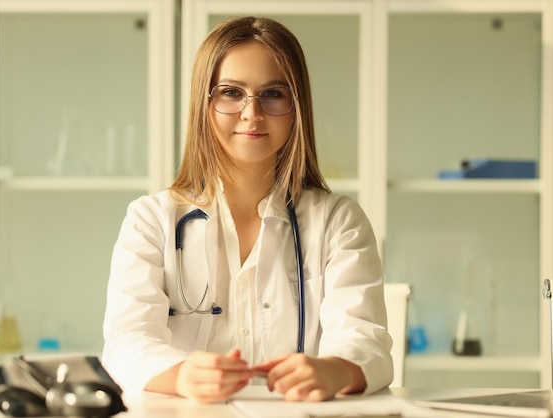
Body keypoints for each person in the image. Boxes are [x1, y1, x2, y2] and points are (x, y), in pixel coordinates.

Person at [101, 16, 393, 404]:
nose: (252, 113)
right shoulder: (150, 220)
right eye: (231, 92)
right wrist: (182, 375)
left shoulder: (337, 222)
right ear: (203, 105)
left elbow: (366, 340)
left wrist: (334, 369)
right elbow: (126, 343)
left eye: (273, 93)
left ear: (297, 106)